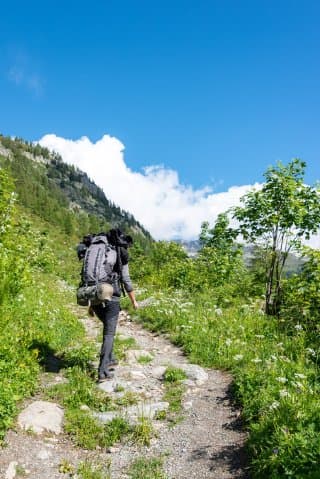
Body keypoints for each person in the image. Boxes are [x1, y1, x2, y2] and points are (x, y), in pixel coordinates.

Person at [90, 230, 138, 382]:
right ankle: (102, 371)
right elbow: (126, 279)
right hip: (112, 297)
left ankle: (110, 359)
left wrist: (91, 304)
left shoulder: (96, 252)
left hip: (94, 294)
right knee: (109, 333)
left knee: (107, 329)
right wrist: (133, 301)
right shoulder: (119, 253)